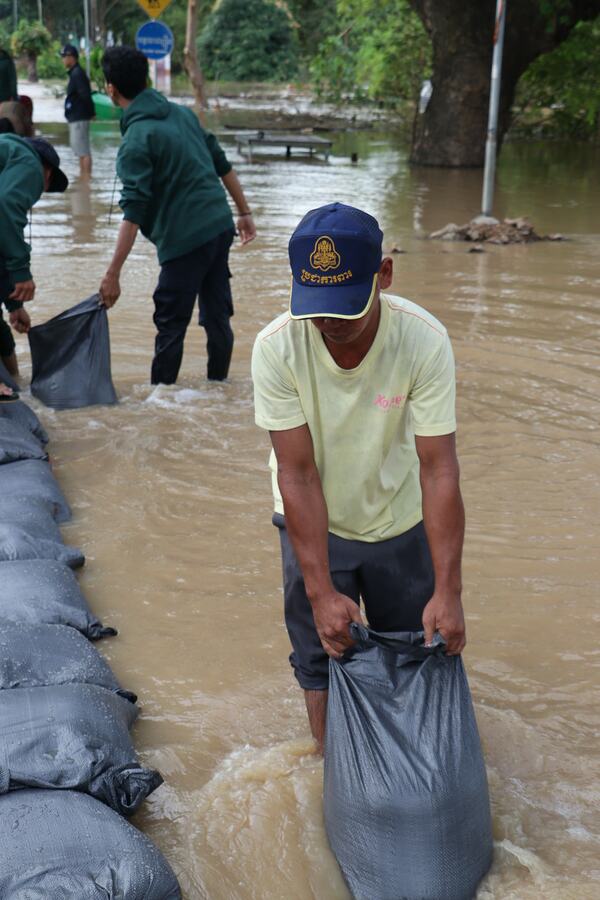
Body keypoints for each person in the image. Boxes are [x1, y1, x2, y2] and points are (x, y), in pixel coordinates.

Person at [251, 202, 466, 754]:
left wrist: (449, 591)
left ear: (383, 275)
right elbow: (297, 474)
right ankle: (330, 764)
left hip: (398, 516)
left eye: (345, 307)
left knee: (417, 647)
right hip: (311, 519)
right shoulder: (277, 347)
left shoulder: (423, 340)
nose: (330, 323)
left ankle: (413, 766)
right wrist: (321, 591)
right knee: (320, 655)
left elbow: (438, 467)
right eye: (317, 307)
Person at [98, 46, 256, 385]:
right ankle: (219, 389)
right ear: (145, 80)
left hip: (185, 241)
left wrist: (113, 273)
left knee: (170, 323)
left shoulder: (136, 140)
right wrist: (244, 213)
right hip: (220, 227)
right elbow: (222, 163)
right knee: (217, 317)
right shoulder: (183, 115)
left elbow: (133, 211)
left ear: (111, 89)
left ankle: (162, 400)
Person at [0, 133, 69, 399]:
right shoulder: (29, 163)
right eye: (45, 187)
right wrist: (22, 274)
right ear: (47, 171)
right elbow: (6, 207)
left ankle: (15, 383)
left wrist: (14, 305)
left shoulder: (9, 155)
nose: (38, 193)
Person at [61, 44, 94, 177]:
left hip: (79, 117)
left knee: (83, 151)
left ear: (71, 57)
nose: (63, 59)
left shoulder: (77, 74)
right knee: (80, 150)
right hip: (76, 117)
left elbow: (85, 95)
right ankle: (83, 177)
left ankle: (86, 180)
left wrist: (91, 113)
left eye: (64, 56)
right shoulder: (75, 73)